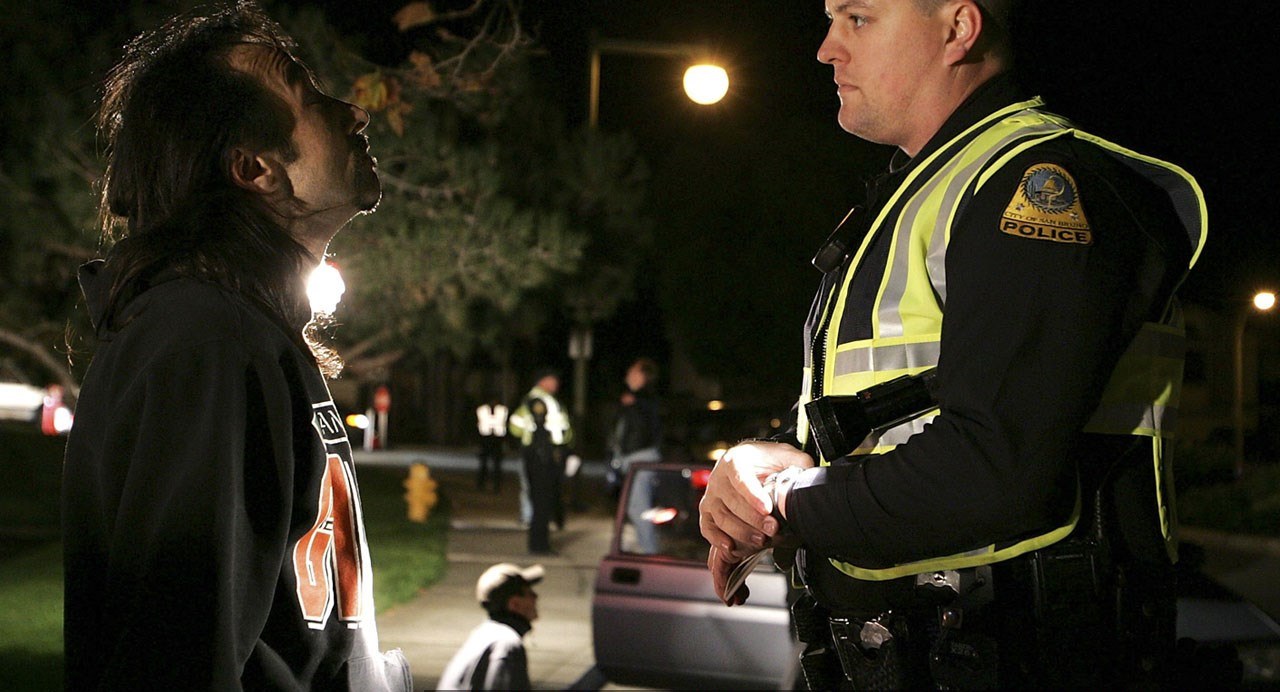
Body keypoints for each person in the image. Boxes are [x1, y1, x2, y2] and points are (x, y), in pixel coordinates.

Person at [698, 1, 1207, 688]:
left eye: (857, 18)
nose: (825, 49)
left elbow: (991, 467)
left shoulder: (1037, 188)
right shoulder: (929, 188)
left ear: (958, 28)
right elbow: (886, 415)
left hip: (1019, 652)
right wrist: (770, 457)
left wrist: (786, 500)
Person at [61, 3, 410, 689]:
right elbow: (172, 662)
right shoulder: (203, 343)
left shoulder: (247, 333)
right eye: (307, 95)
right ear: (253, 169)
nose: (356, 113)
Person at [437, 562, 544, 691]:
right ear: (514, 604)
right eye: (530, 593)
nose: (536, 597)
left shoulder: (484, 634)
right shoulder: (506, 643)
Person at [508, 368, 572, 555]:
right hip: (542, 456)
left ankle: (540, 543)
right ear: (543, 381)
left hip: (544, 455)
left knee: (544, 500)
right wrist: (544, 449)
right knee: (542, 501)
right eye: (553, 379)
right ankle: (539, 545)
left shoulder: (538, 400)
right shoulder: (539, 401)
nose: (557, 384)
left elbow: (516, 429)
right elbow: (531, 429)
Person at [605, 357, 664, 503]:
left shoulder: (646, 399)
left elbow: (648, 425)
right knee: (633, 505)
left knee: (638, 506)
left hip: (640, 457)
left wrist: (634, 403)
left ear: (643, 376)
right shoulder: (631, 399)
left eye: (634, 370)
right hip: (631, 457)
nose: (629, 373)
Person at [475, 392, 510, 493]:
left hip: (497, 441)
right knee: (484, 465)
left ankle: (496, 486)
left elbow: (504, 424)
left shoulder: (502, 410)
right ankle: (481, 485)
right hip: (485, 440)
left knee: (496, 466)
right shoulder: (482, 410)